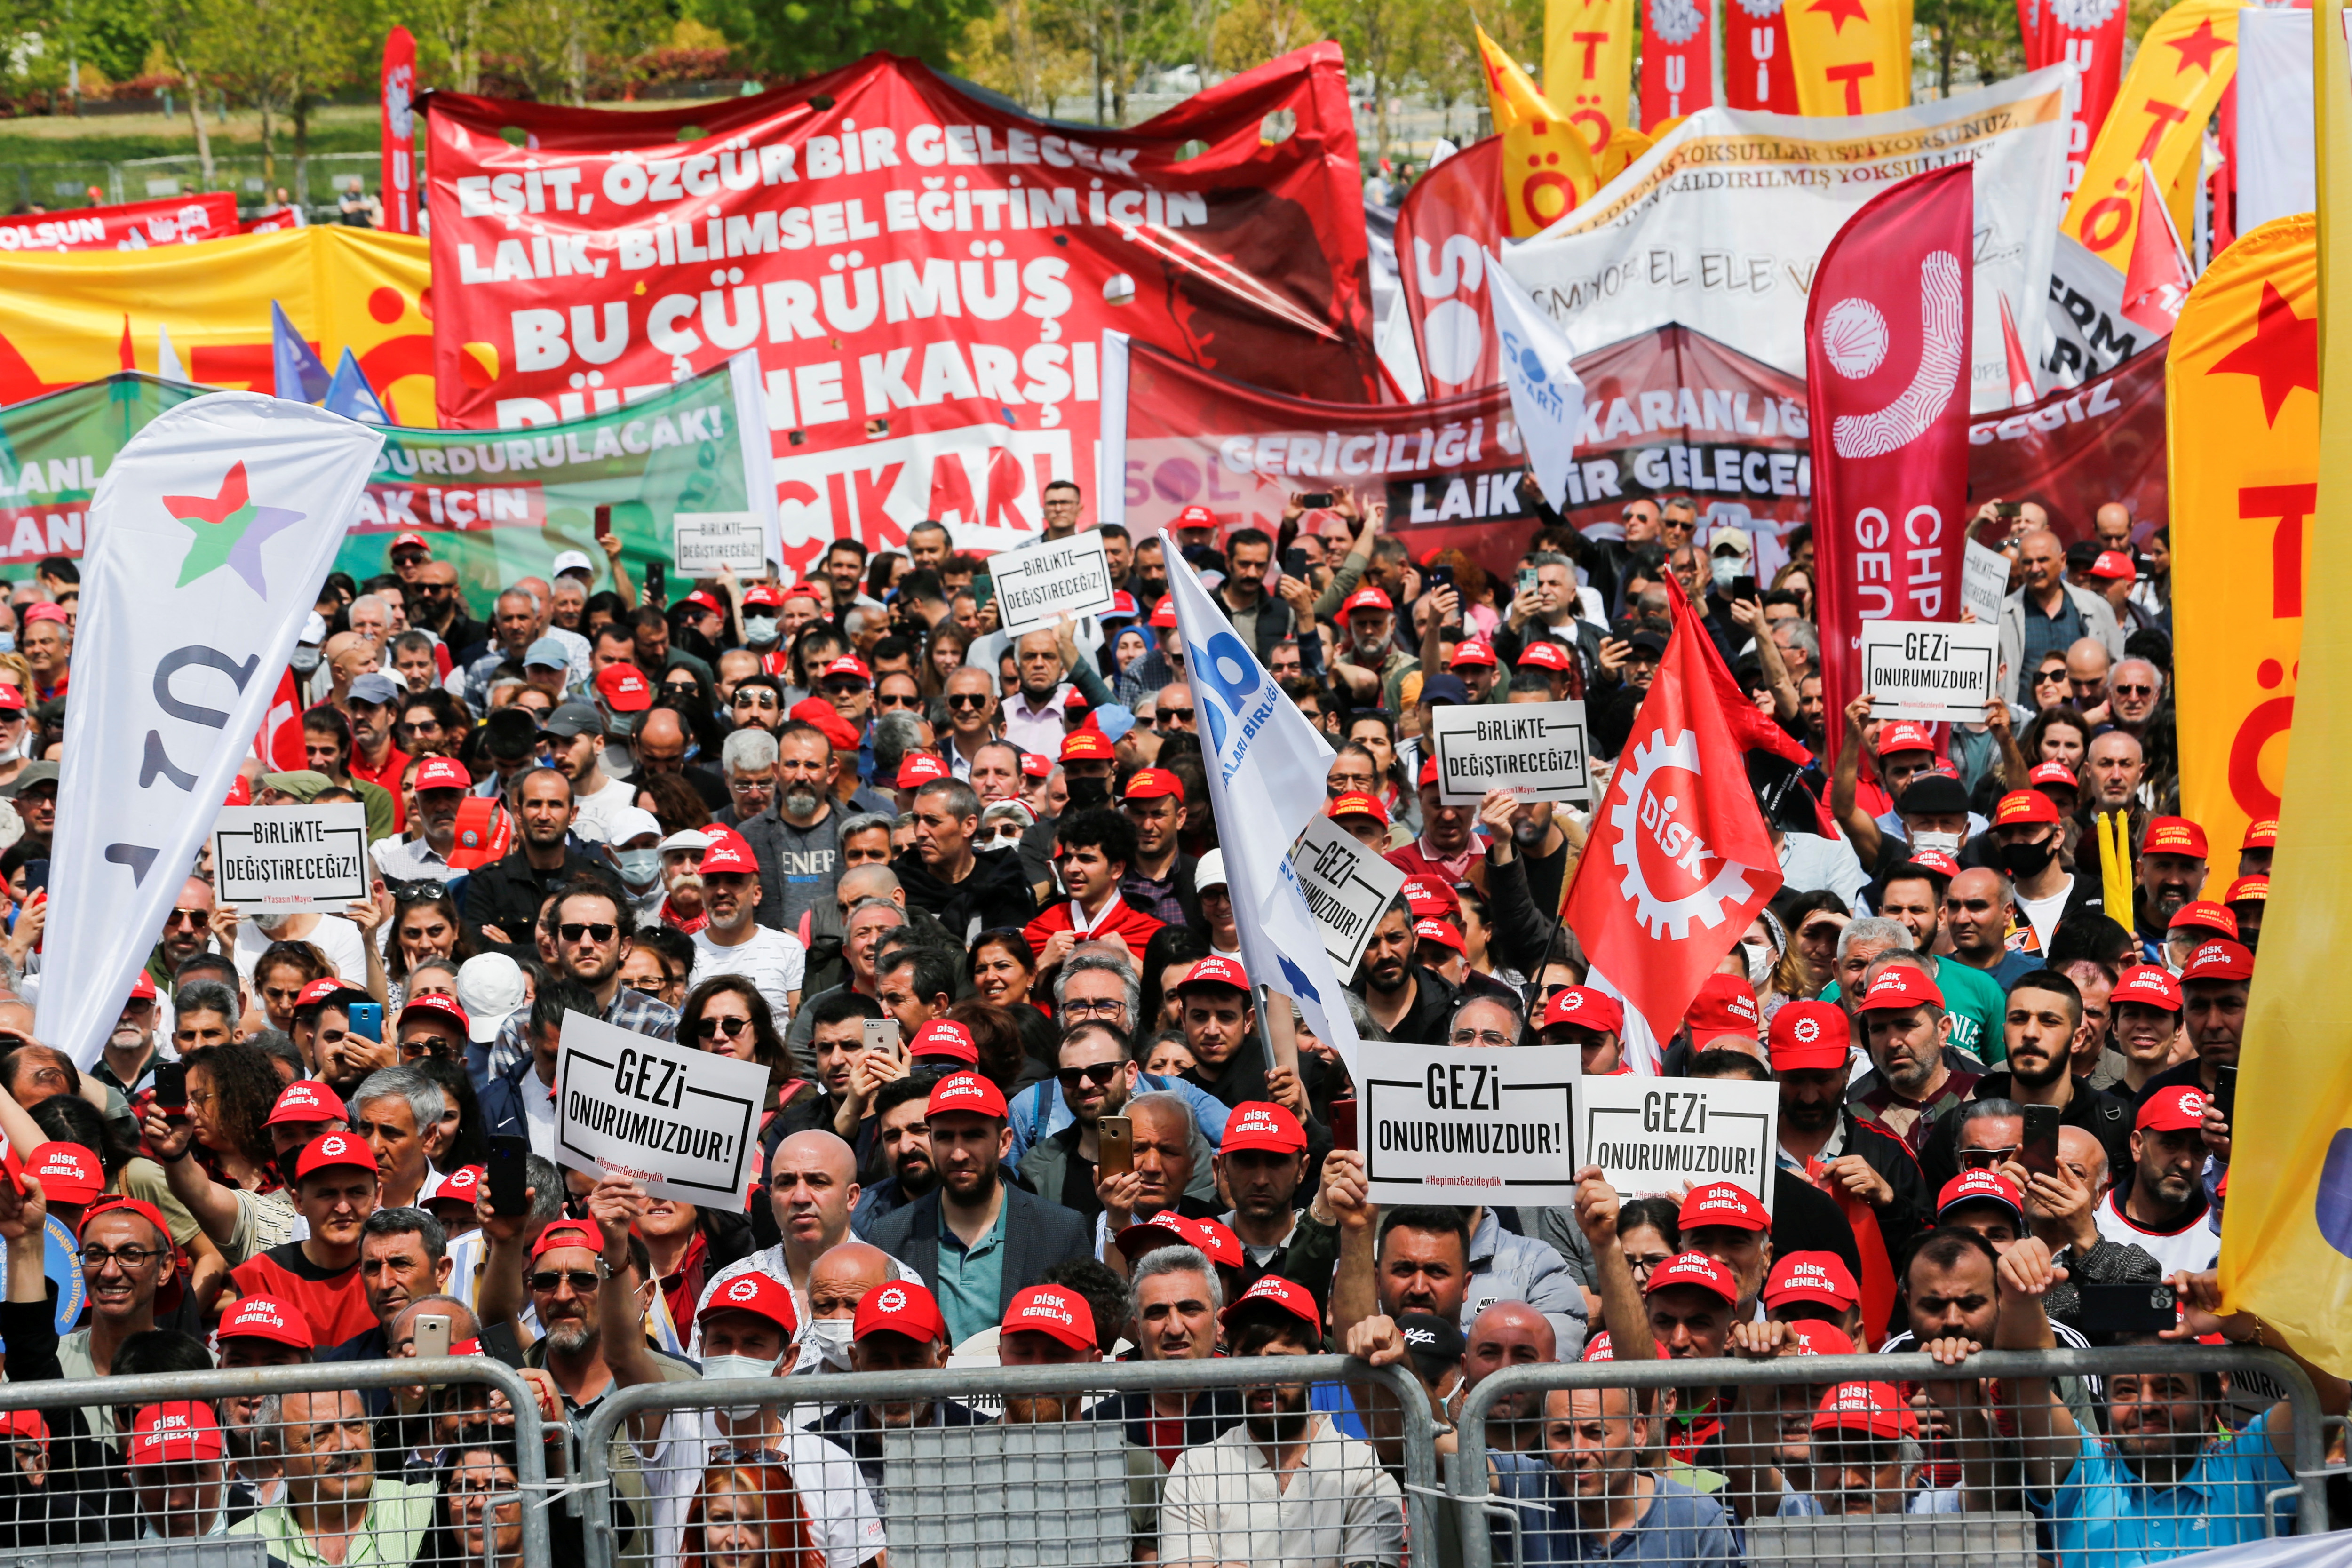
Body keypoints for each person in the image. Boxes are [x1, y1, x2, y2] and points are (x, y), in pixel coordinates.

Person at [1160, 1274, 1406, 1568]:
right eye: (1249, 1360)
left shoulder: (1363, 1468)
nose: (1264, 1377)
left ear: (1317, 1366)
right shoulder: (1195, 1471)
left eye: (1281, 1360)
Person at [863, 1073, 1092, 1348]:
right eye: (946, 1137)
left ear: (1005, 1142)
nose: (959, 1154)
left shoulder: (1059, 1230)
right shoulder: (891, 1236)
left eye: (973, 1136)